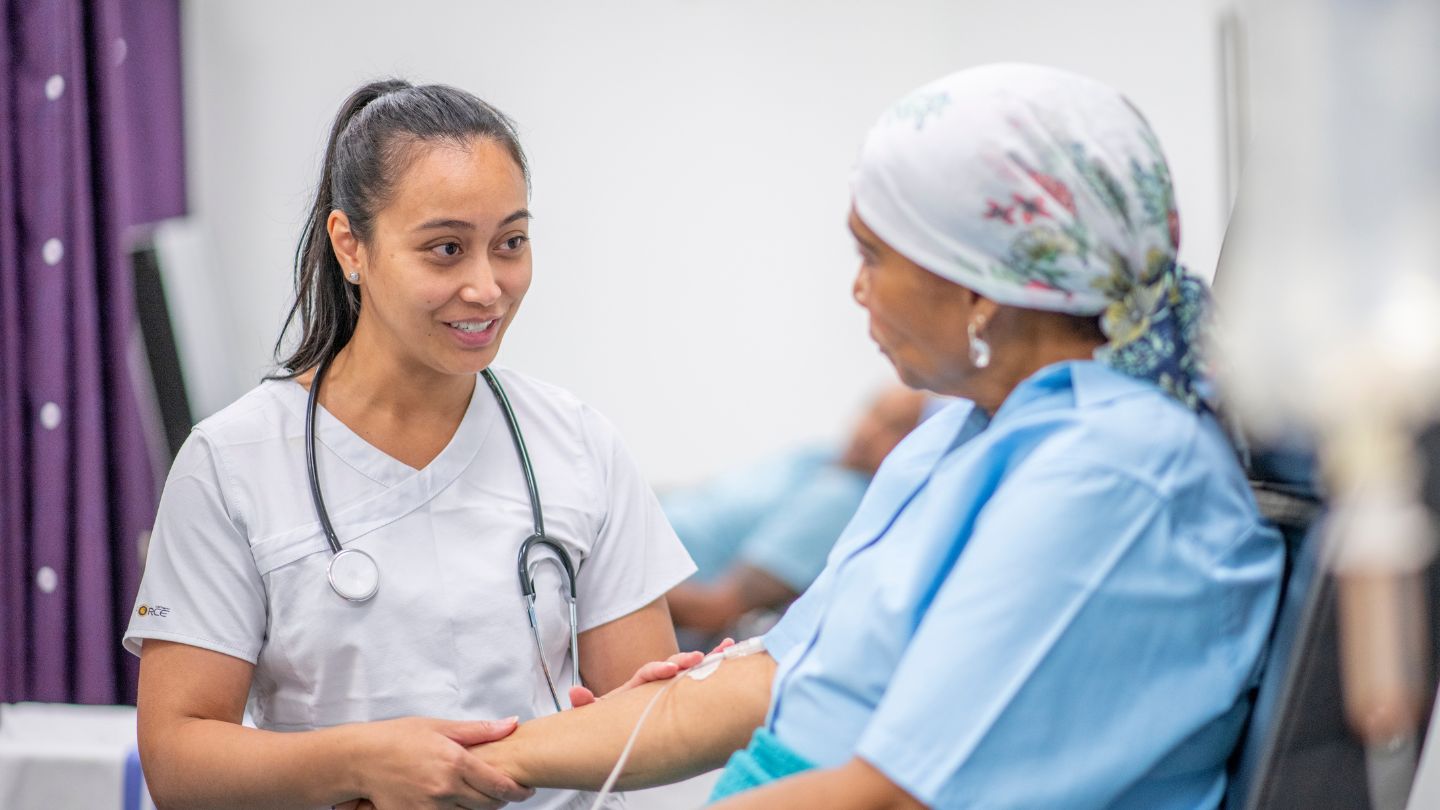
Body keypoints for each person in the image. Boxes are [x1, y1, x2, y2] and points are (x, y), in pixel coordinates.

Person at [456, 64, 1285, 809]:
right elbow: (774, 680)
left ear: (980, 285)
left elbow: (891, 798)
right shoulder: (962, 430)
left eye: (874, 254)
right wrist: (464, 765)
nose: (857, 289)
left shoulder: (1116, 476)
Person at [122, 80, 699, 810]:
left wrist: (653, 714)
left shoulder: (577, 442)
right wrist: (360, 762)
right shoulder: (231, 462)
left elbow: (650, 716)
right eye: (446, 249)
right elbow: (177, 758)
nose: (488, 287)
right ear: (350, 245)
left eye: (510, 243)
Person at [664, 387, 926, 638]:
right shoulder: (818, 456)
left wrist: (633, 580)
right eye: (874, 412)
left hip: (654, 582)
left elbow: (713, 610)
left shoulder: (841, 502)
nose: (871, 431)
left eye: (896, 427)